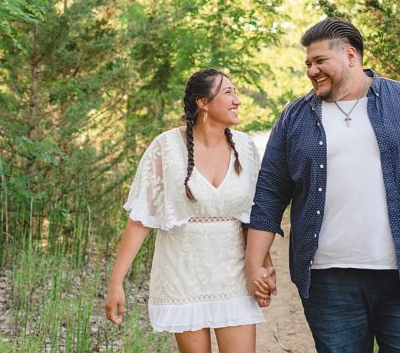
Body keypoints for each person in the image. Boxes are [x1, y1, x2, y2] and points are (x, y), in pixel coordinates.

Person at [244, 18, 400, 353]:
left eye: (320, 61)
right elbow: (269, 192)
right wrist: (256, 262)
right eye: (308, 63)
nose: (312, 70)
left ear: (351, 56)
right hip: (328, 281)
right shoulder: (295, 117)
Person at [105, 68, 276, 353]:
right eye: (228, 92)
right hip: (182, 274)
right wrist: (116, 282)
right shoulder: (165, 148)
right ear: (203, 102)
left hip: (232, 274)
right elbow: (139, 219)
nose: (237, 100)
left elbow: (254, 216)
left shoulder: (245, 147)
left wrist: (262, 267)